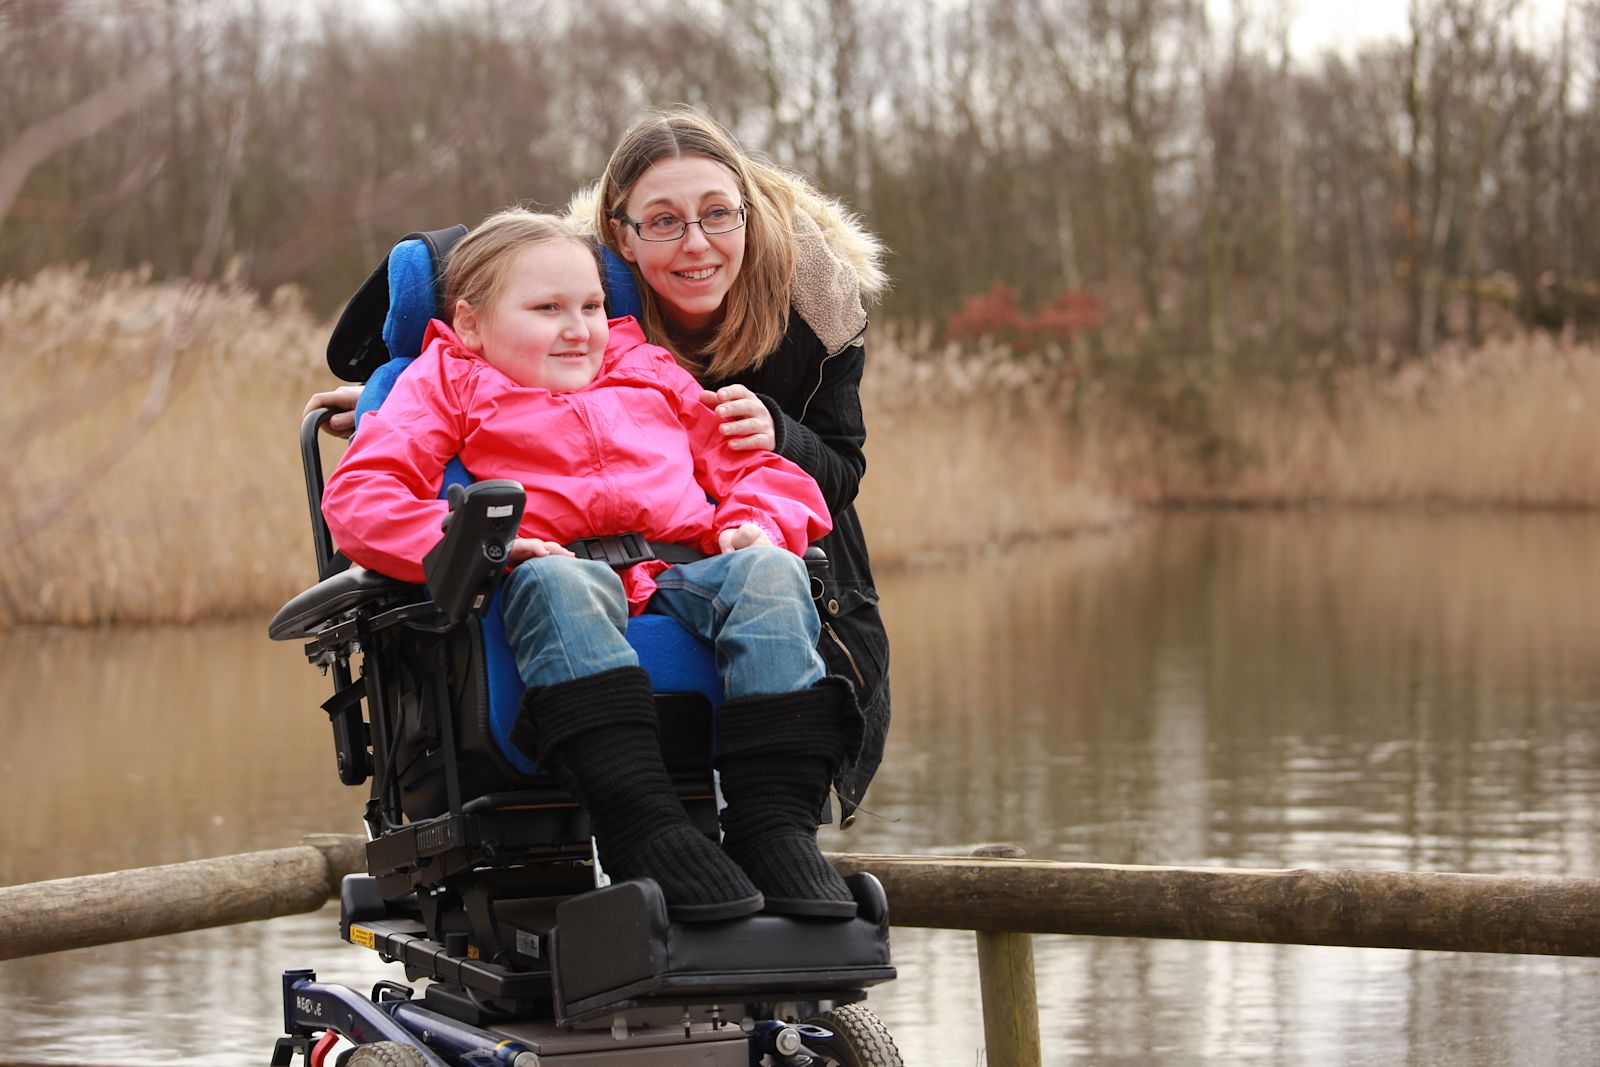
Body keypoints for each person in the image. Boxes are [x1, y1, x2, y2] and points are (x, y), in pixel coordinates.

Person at [306, 104, 891, 828]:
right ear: (624, 237)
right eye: (665, 222)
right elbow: (374, 482)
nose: (577, 324)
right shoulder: (450, 376)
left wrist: (760, 507)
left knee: (770, 573)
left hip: (698, 570)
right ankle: (647, 830)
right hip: (553, 579)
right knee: (556, 581)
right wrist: (444, 503)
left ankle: (778, 833)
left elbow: (802, 472)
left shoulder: (660, 359)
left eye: (588, 305)